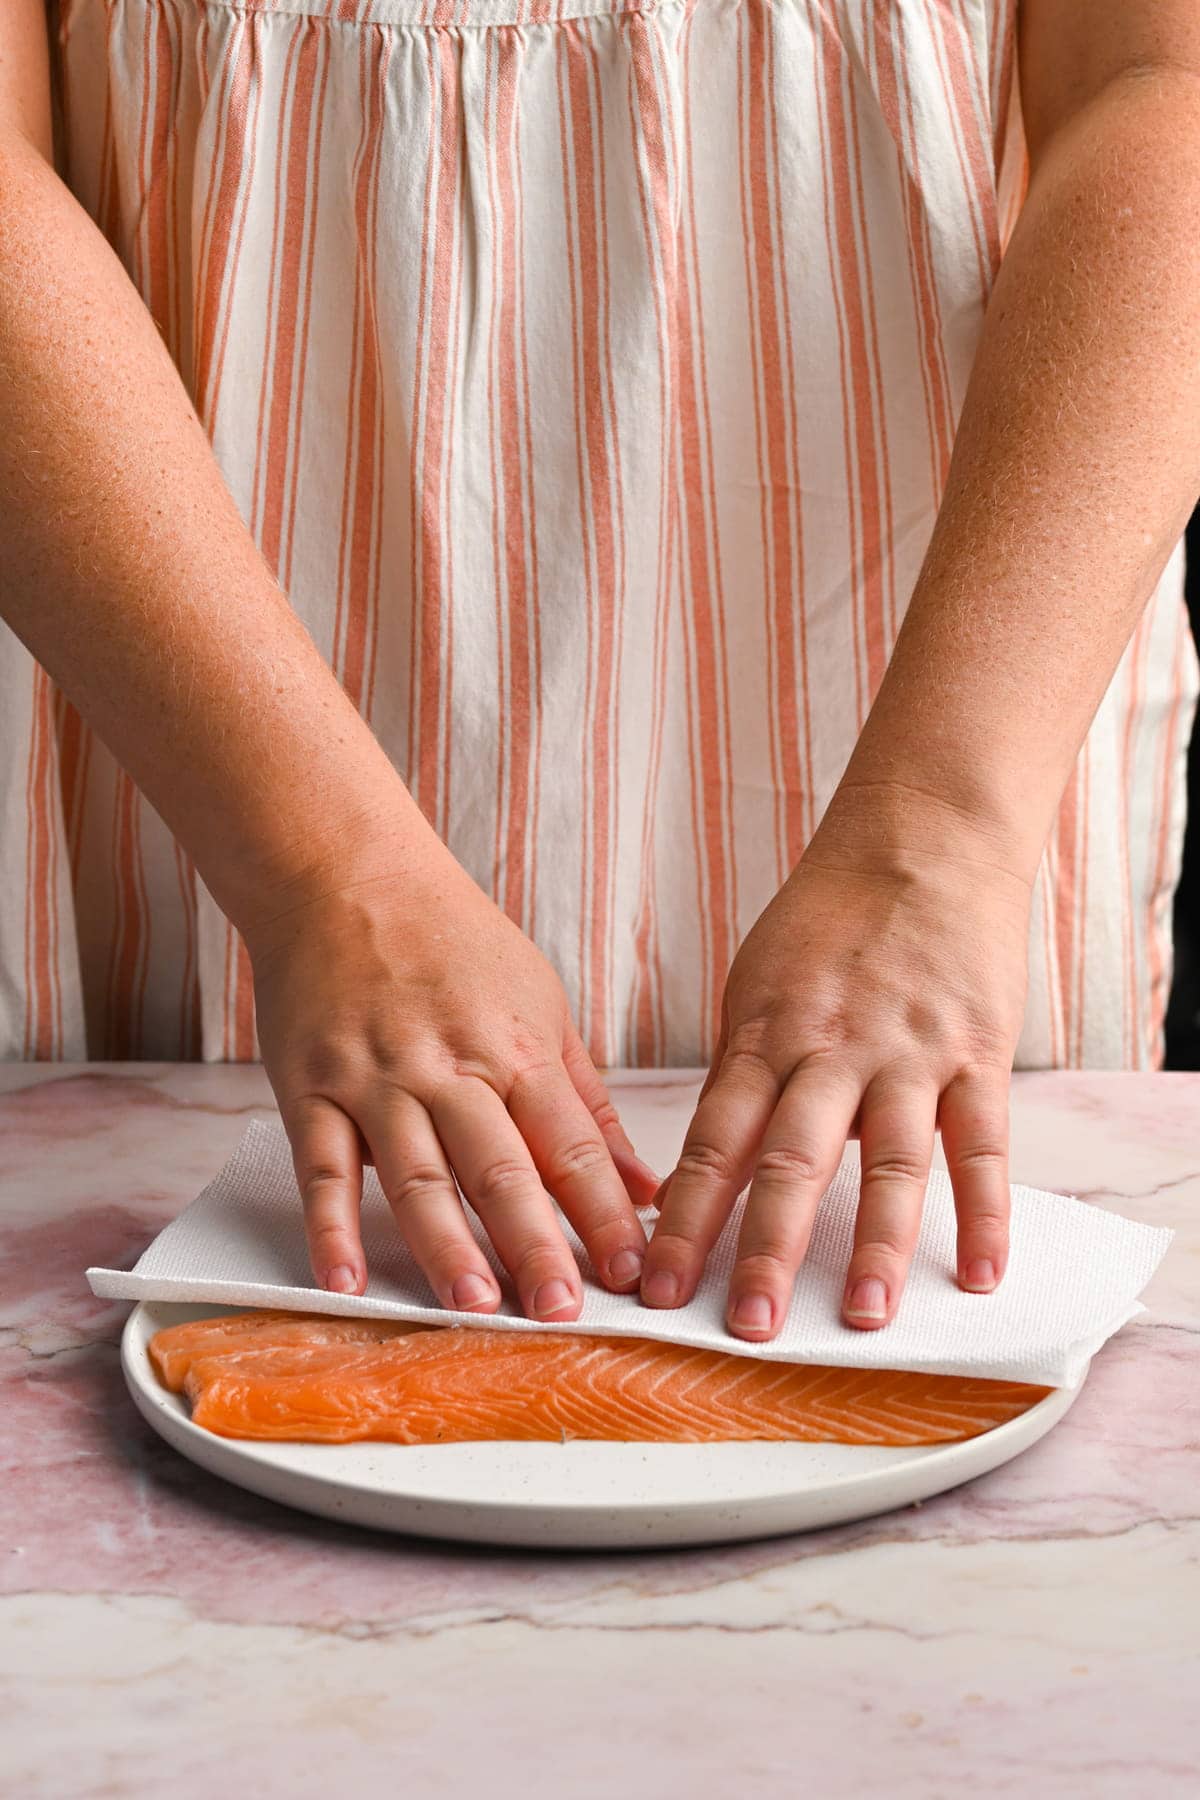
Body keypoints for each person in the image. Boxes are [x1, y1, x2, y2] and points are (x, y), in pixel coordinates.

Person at [2, 0, 1197, 1343]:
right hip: (193, 695)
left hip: (949, 684)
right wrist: (320, 872)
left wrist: (940, 833)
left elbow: (1165, 86)